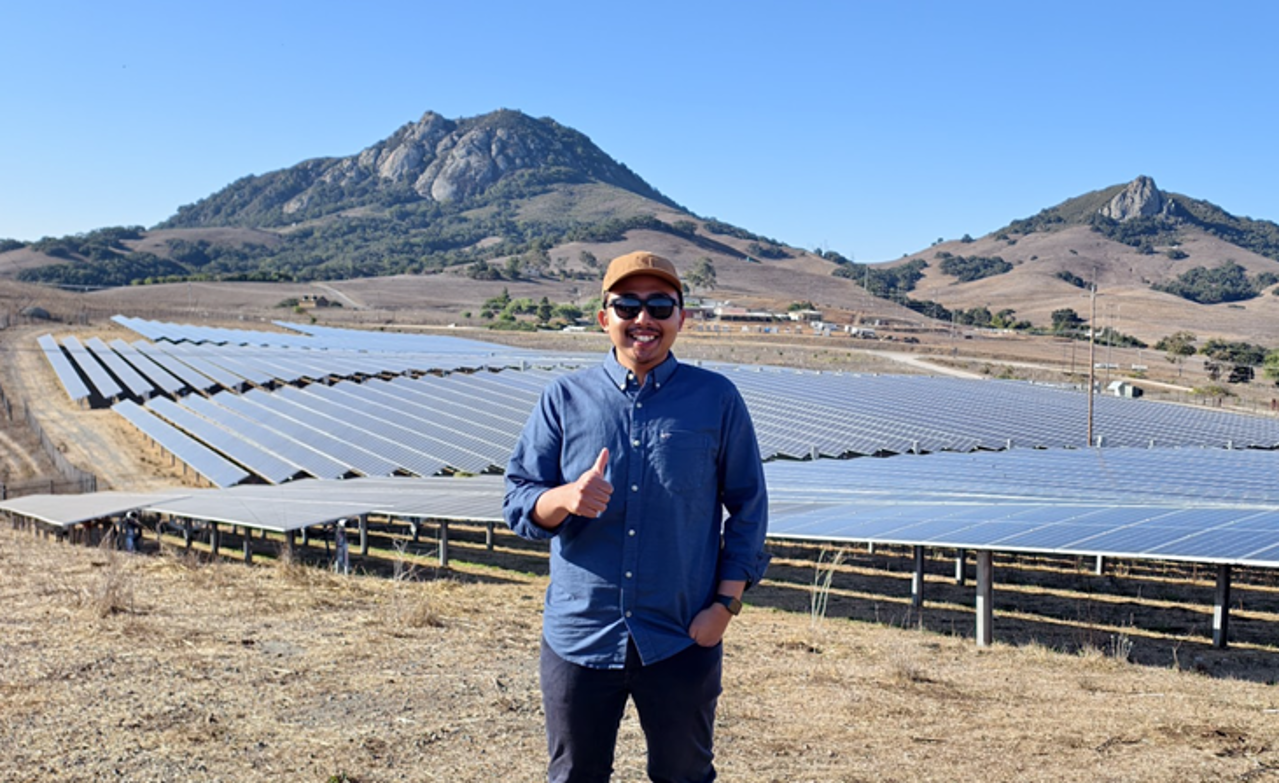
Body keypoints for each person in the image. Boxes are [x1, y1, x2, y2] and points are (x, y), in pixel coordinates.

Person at [504, 250, 770, 783]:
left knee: (684, 775)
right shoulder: (564, 398)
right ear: (605, 318)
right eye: (627, 305)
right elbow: (518, 500)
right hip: (579, 635)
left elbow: (748, 508)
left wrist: (725, 605)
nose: (642, 319)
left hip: (679, 636)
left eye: (658, 305)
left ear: (681, 318)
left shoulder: (716, 399)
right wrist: (565, 498)